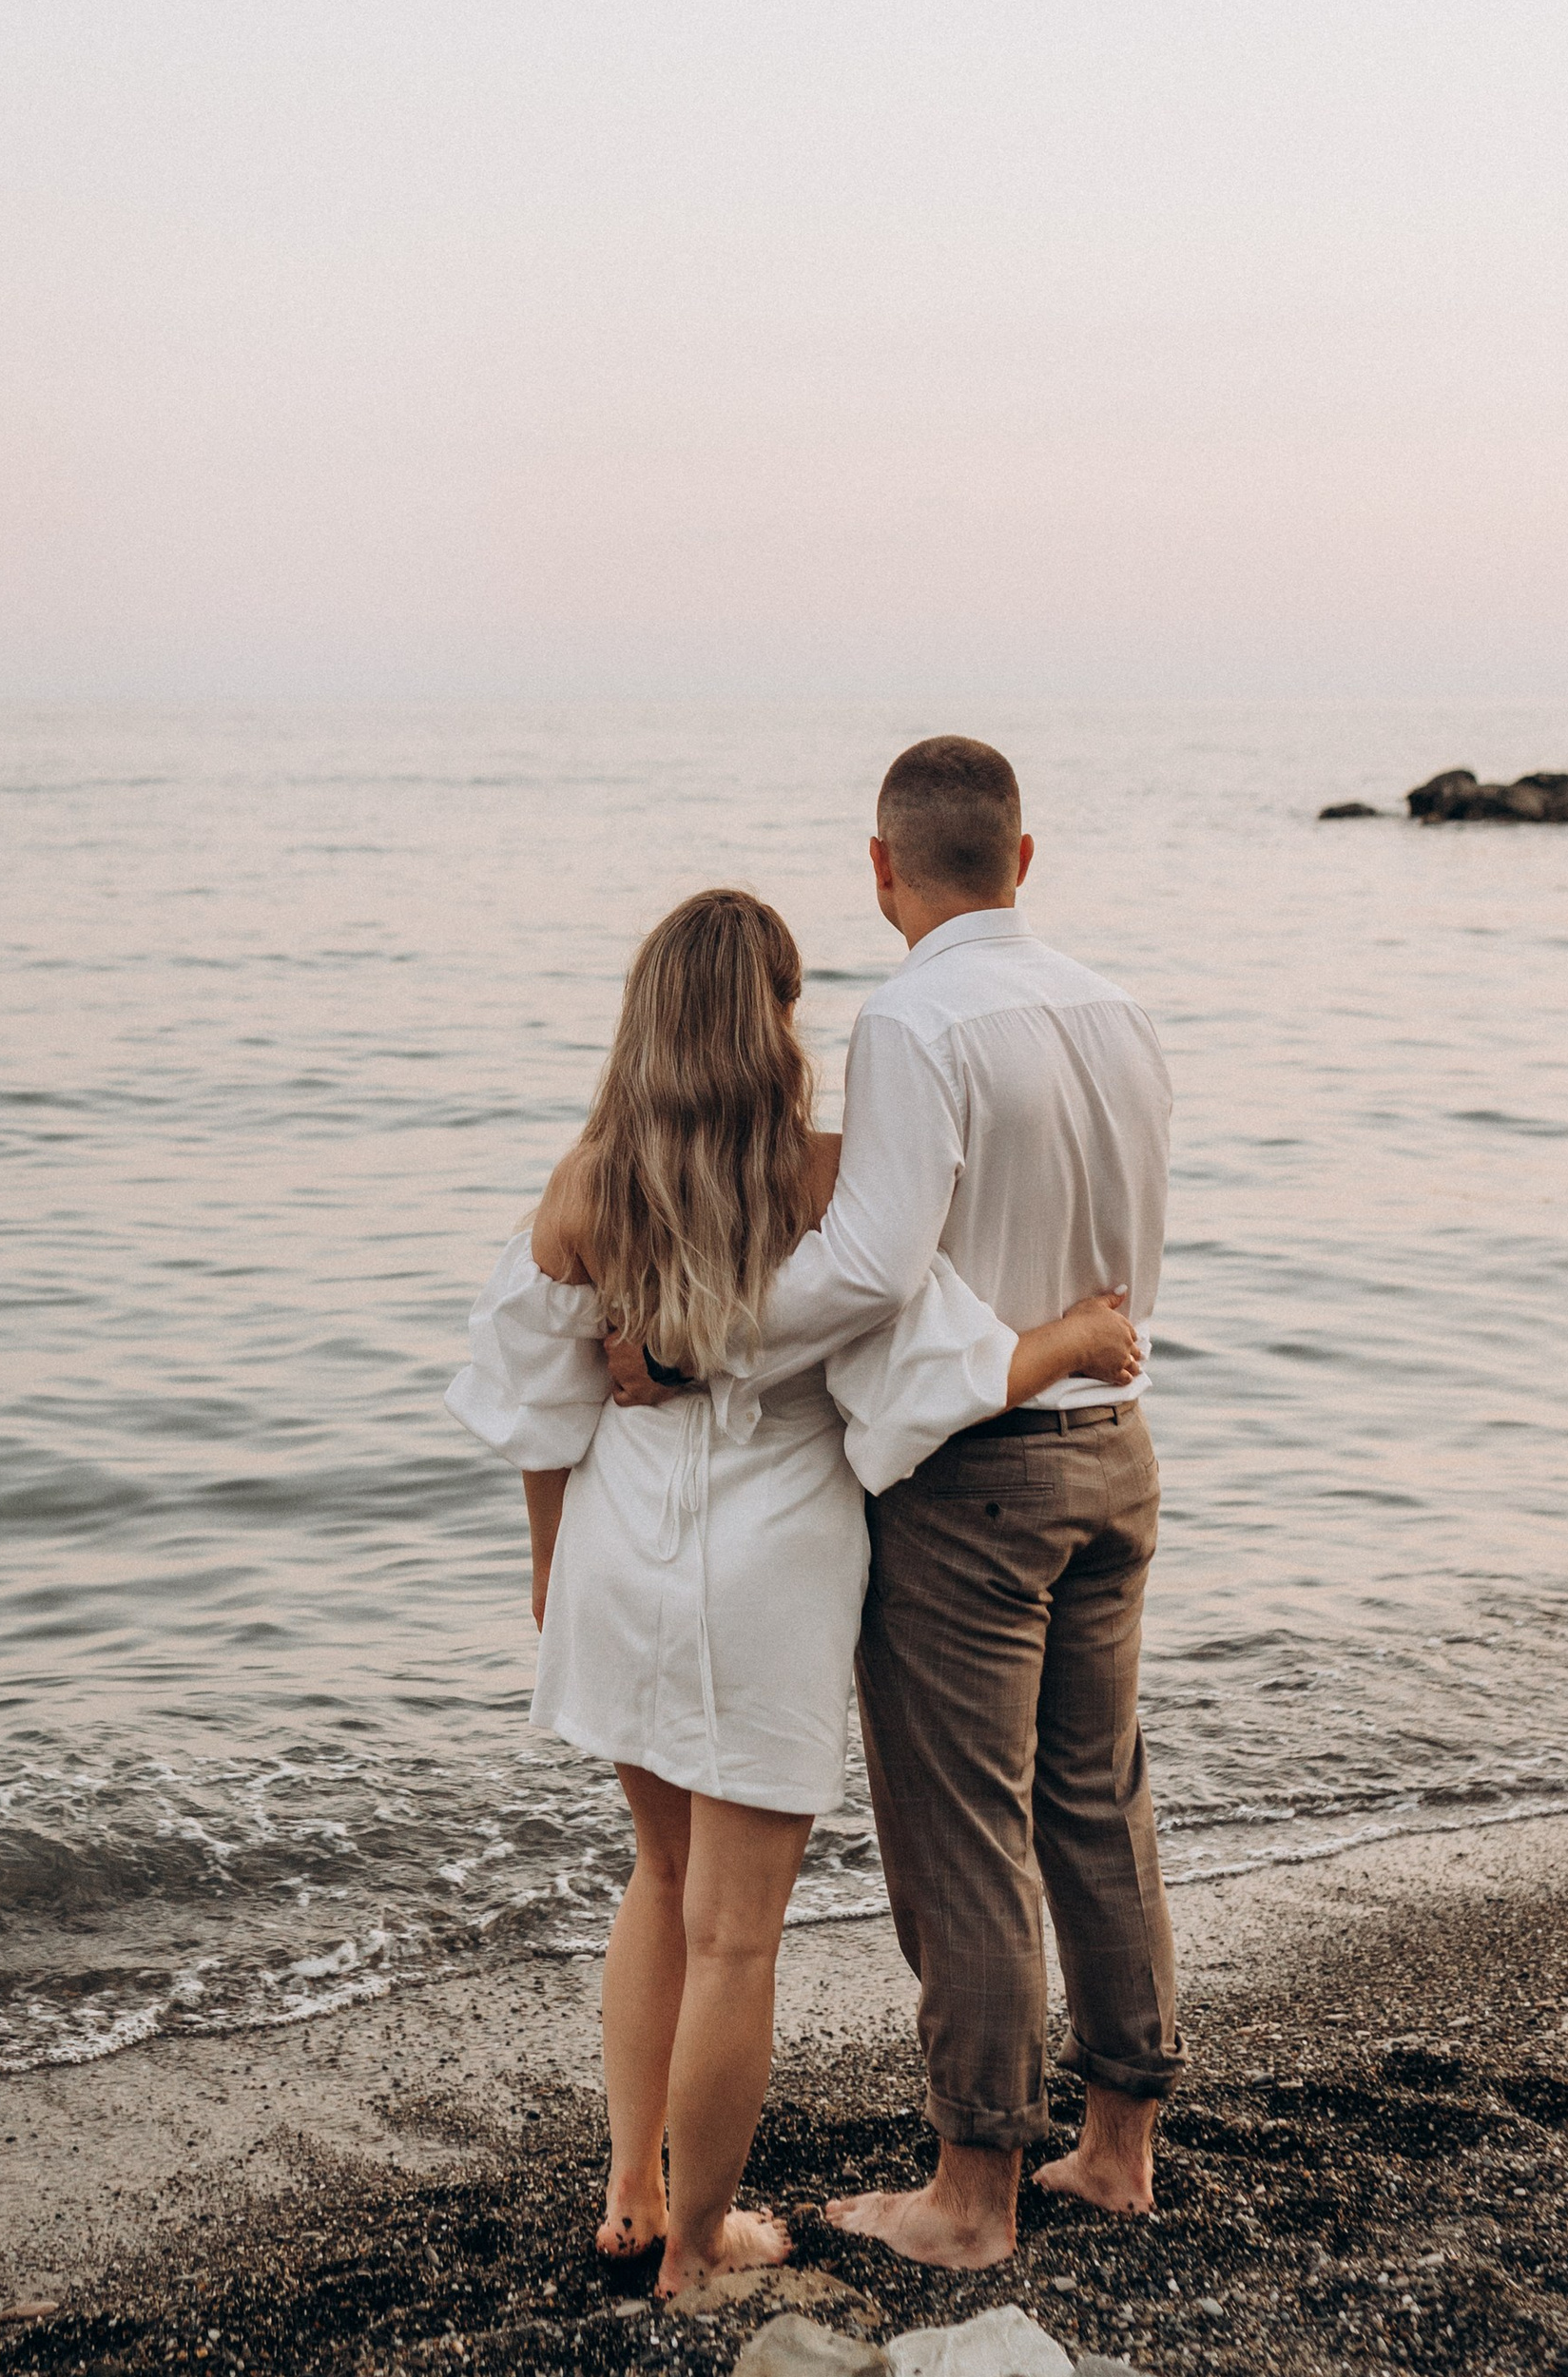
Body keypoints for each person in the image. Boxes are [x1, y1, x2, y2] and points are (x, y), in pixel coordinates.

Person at [447, 884, 1139, 2300]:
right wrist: (1068, 1338)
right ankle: (699, 2251)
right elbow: (936, 1368)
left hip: (621, 1554)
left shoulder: (585, 1191)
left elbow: (532, 1405)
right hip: (766, 1572)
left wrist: (545, 1561)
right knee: (735, 1934)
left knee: (661, 1876)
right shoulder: (818, 1184)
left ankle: (635, 2188)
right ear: (768, 1026)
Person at [610, 740, 1179, 2271]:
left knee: (960, 1831)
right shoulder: (1119, 1013)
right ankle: (1118, 2148)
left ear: (882, 866)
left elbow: (868, 1265)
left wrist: (688, 1342)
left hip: (982, 1476)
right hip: (1115, 1442)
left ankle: (974, 2194)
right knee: (1097, 1799)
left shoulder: (915, 1017)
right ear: (1024, 857)